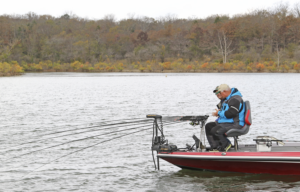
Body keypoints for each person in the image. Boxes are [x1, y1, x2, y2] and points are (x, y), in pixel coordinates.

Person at [205, 84, 245, 152]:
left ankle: (226, 144)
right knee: (209, 126)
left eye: (219, 93)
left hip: (236, 123)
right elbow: (225, 113)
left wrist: (219, 113)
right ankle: (215, 147)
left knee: (216, 130)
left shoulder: (235, 99)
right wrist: (218, 118)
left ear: (224, 91)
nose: (217, 95)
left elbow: (231, 113)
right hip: (226, 122)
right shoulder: (226, 99)